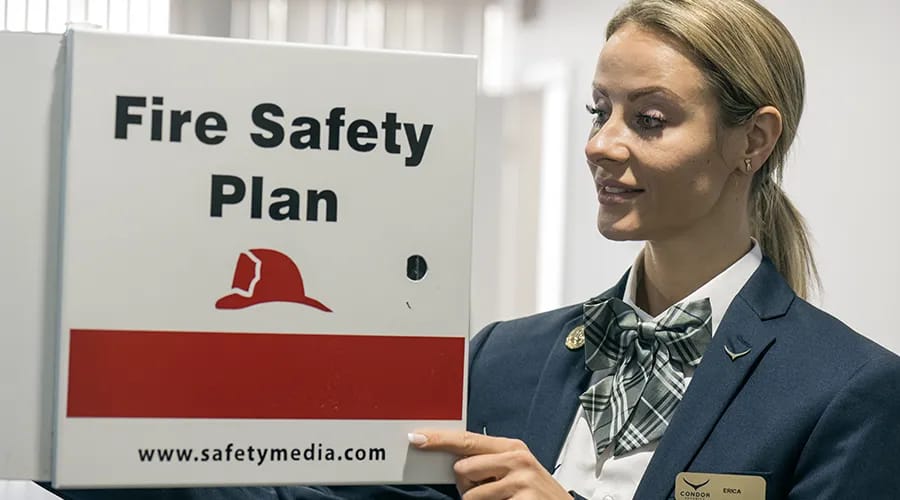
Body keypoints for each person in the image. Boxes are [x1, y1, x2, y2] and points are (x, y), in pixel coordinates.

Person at [49, 0, 900, 499]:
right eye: (597, 110)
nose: (602, 145)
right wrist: (66, 435)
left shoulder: (846, 391)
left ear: (752, 140)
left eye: (648, 119)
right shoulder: (505, 355)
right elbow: (297, 491)